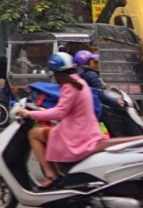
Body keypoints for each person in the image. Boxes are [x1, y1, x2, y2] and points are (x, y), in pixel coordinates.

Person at [15, 51, 109, 188]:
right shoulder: (80, 82)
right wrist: (44, 111)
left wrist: (30, 114)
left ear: (55, 72)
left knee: (33, 134)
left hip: (75, 135)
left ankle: (50, 175)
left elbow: (60, 112)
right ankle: (58, 173)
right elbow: (67, 109)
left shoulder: (69, 86)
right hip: (87, 130)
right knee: (46, 131)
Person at [73, 49, 106, 119]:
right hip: (93, 109)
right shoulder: (91, 74)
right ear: (87, 62)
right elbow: (100, 93)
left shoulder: (75, 74)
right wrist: (116, 101)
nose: (96, 64)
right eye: (93, 61)